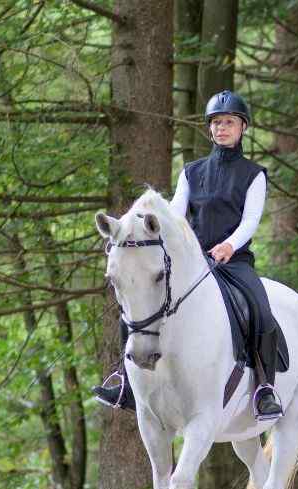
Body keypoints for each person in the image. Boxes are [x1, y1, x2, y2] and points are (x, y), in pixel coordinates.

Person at [93, 90, 283, 421]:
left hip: (233, 262)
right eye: (216, 123)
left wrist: (229, 245)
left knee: (260, 310)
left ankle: (265, 388)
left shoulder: (254, 175)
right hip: (193, 263)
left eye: (229, 122)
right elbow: (176, 215)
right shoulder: (191, 172)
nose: (222, 128)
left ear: (242, 128)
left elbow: (251, 220)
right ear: (210, 129)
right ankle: (124, 380)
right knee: (138, 302)